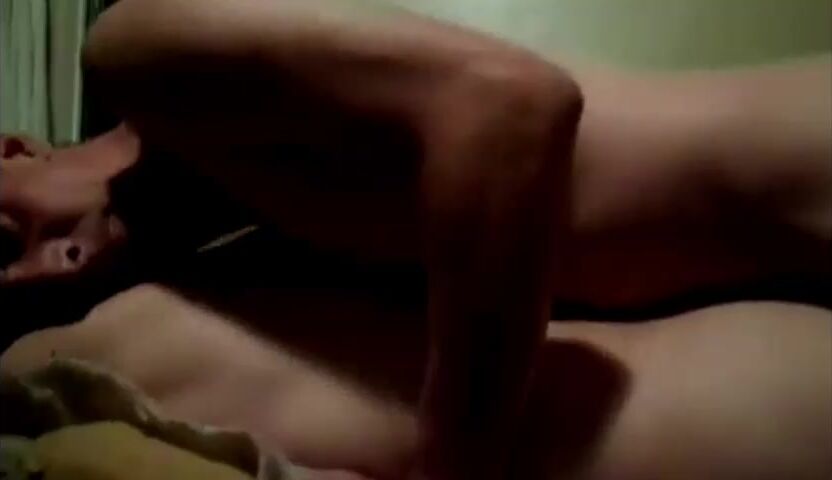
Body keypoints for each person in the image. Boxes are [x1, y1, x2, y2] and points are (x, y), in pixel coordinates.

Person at [0, 0, 830, 478]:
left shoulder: (140, 59)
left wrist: (453, 469)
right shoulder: (218, 257)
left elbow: (513, 104)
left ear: (11, 150)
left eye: (6, 237)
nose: (52, 270)